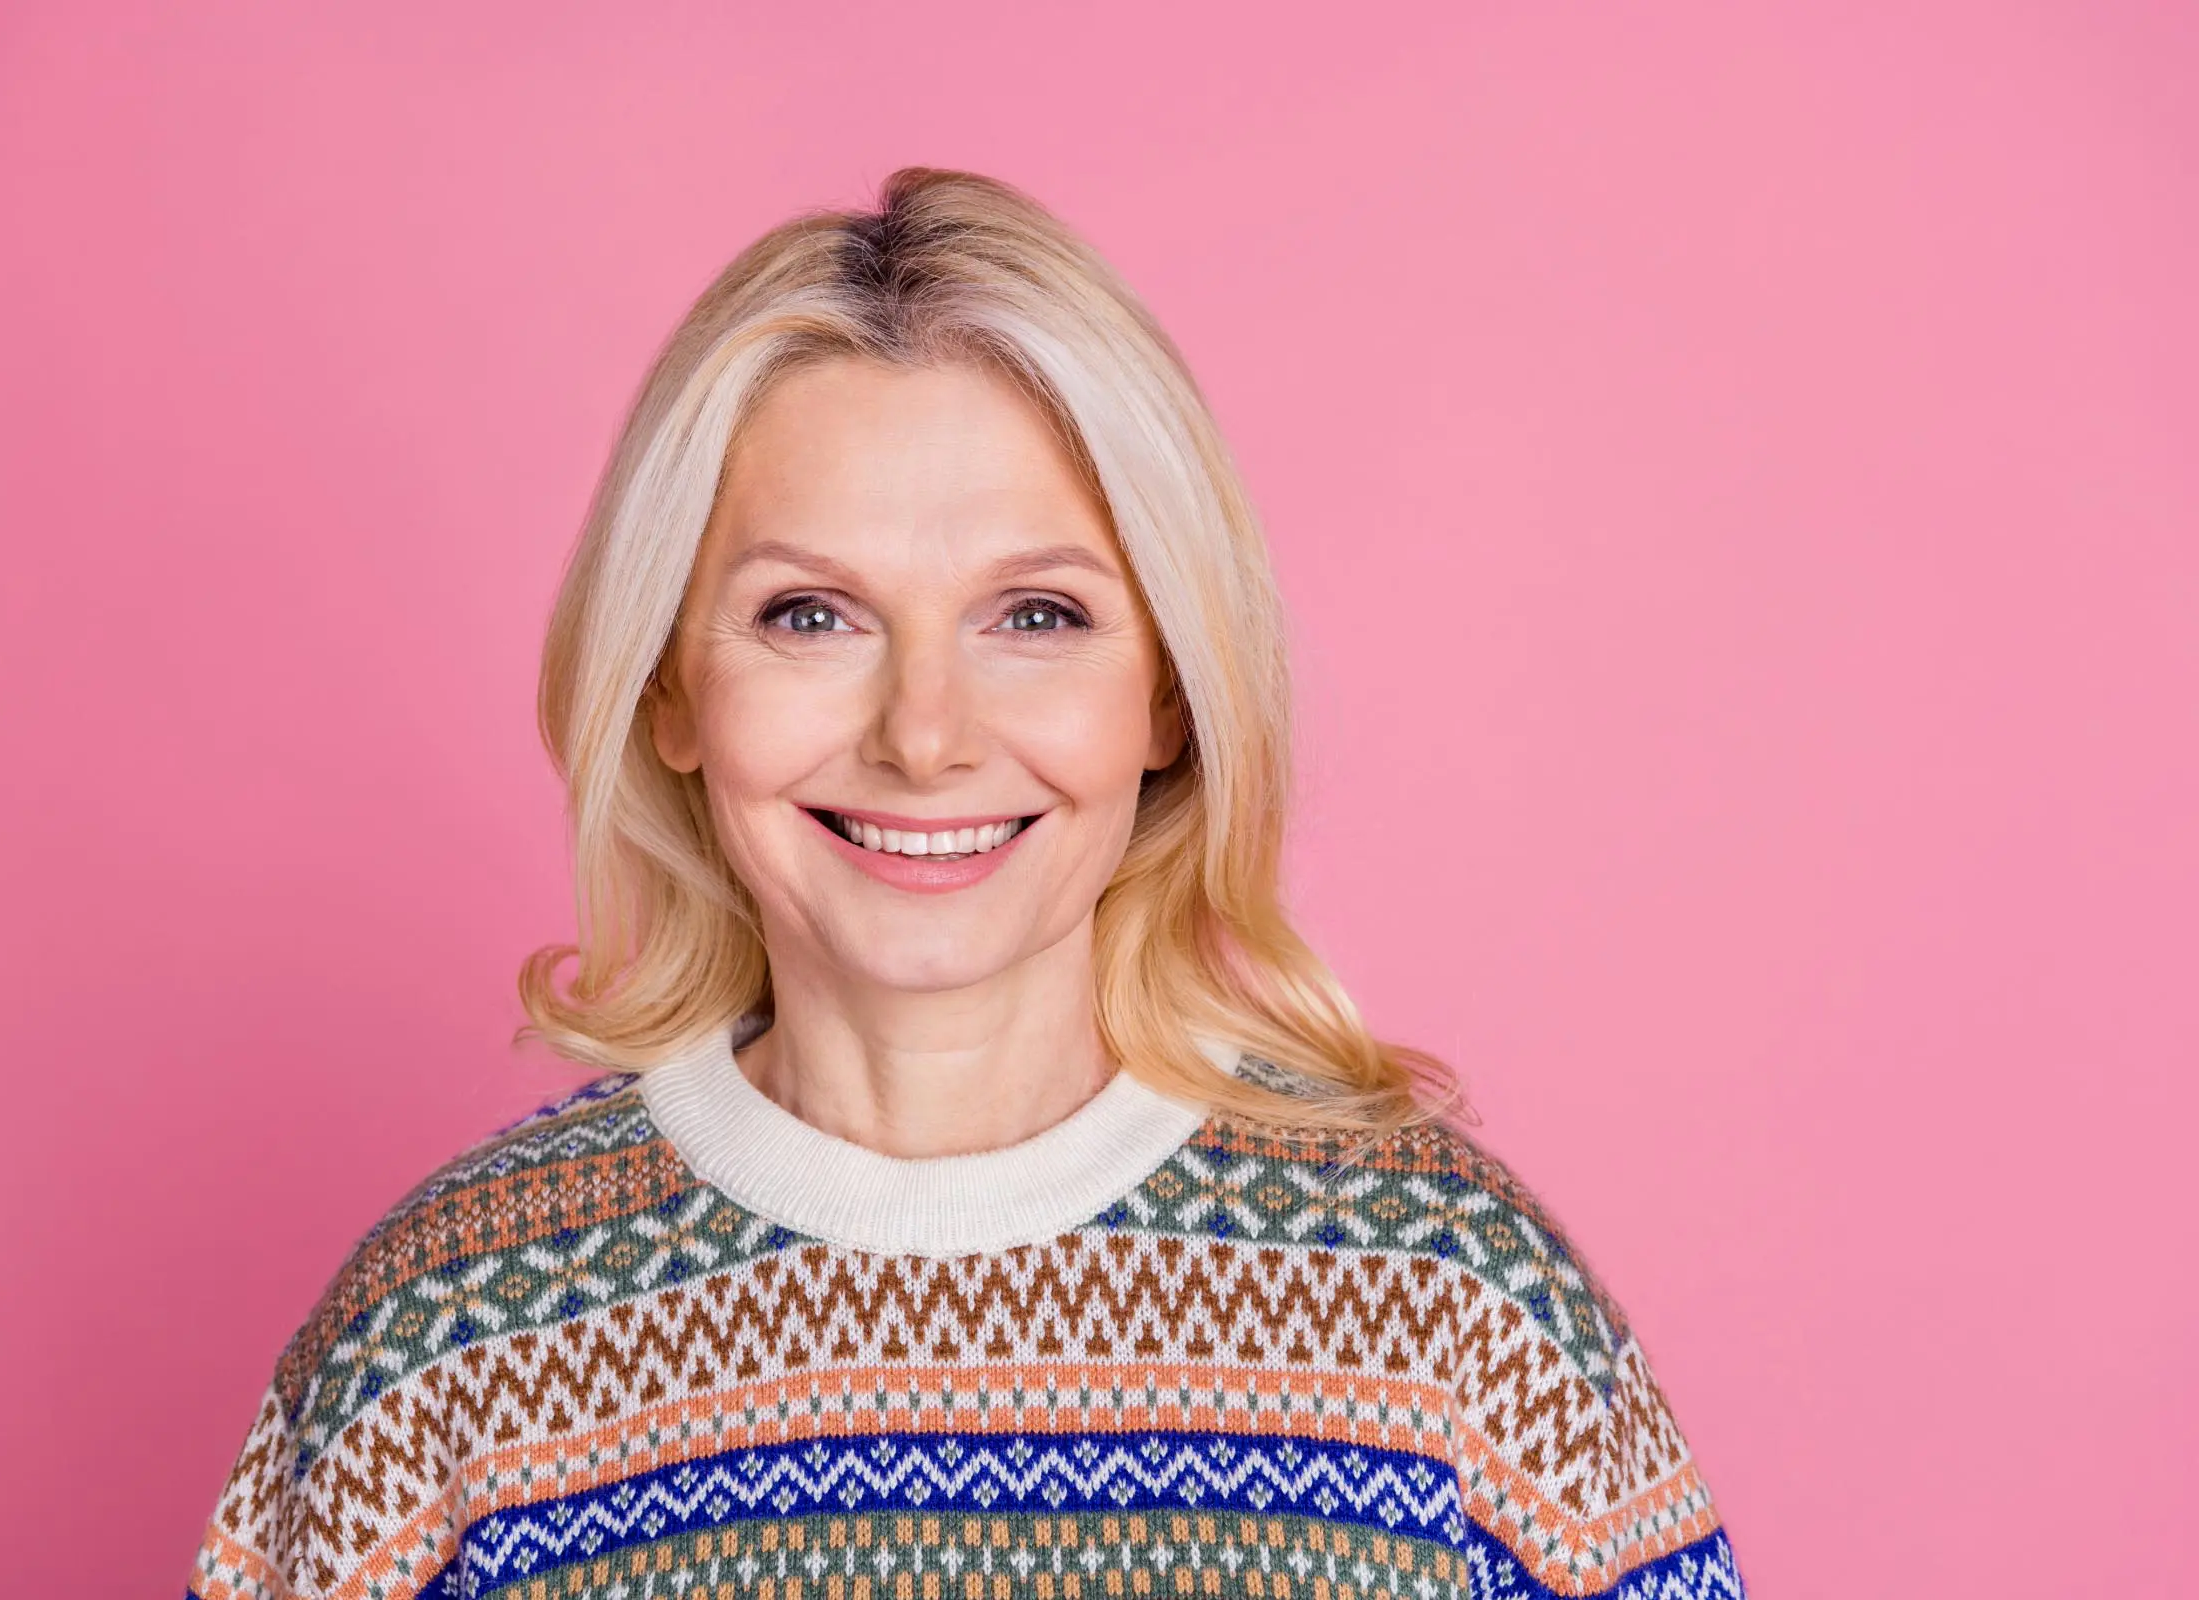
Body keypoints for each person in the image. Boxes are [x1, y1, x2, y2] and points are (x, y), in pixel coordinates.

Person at [184, 168, 1744, 1600]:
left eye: (1038, 616)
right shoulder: (444, 1343)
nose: (924, 736)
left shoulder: (1453, 1314)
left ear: (1169, 695)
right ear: (668, 687)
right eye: (808, 615)